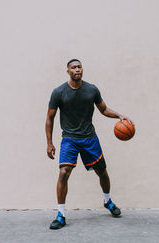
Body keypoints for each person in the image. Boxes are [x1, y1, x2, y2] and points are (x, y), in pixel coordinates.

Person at [45, 59, 133, 230]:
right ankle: (61, 215)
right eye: (73, 68)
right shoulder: (59, 92)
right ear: (67, 71)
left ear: (82, 69)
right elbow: (49, 118)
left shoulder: (91, 89)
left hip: (89, 139)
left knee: (103, 173)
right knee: (63, 173)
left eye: (79, 67)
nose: (77, 70)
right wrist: (49, 143)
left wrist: (120, 116)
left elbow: (104, 109)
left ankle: (108, 201)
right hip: (69, 139)